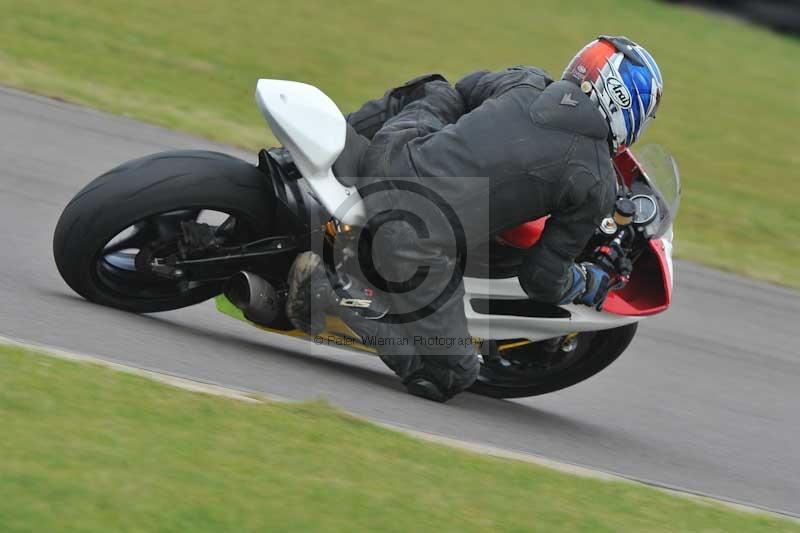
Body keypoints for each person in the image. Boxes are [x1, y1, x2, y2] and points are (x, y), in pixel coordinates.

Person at [286, 36, 663, 402]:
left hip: (390, 154)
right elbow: (541, 281)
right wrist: (585, 280)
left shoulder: (526, 81)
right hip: (412, 240)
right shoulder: (595, 181)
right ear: (624, 104)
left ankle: (309, 153)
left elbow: (464, 92)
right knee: (451, 375)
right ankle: (327, 298)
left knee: (435, 90)